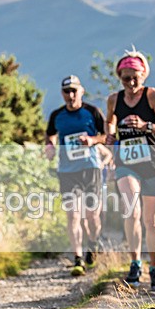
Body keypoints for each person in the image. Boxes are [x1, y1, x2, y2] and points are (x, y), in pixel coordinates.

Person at [105, 50, 155, 291]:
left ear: (143, 75)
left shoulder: (152, 95)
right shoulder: (114, 99)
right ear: (120, 77)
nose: (131, 83)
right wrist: (110, 135)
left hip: (152, 164)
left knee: (151, 221)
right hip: (126, 163)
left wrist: (146, 126)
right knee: (131, 210)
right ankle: (135, 263)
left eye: (135, 77)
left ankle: (154, 266)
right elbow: (109, 122)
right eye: (126, 78)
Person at [45, 75, 106, 276]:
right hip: (67, 171)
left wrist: (92, 140)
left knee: (92, 216)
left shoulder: (92, 112)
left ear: (81, 91)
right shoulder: (57, 115)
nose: (70, 95)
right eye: (67, 91)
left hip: (91, 169)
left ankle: (93, 244)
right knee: (73, 215)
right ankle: (78, 259)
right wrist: (50, 146)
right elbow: (50, 134)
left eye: (74, 91)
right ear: (62, 93)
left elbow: (107, 136)